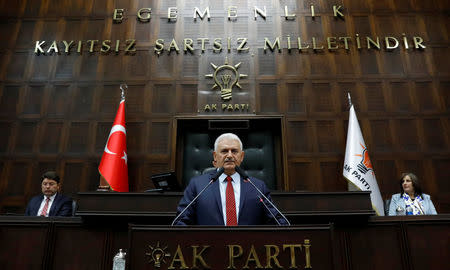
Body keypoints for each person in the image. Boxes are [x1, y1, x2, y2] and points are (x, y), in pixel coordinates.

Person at [174, 133, 288, 225]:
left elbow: (276, 221)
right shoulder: (198, 185)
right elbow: (181, 220)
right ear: (215, 156)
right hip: (207, 249)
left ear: (242, 156)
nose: (229, 155)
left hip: (250, 250)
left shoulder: (258, 186)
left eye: (234, 151)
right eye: (224, 151)